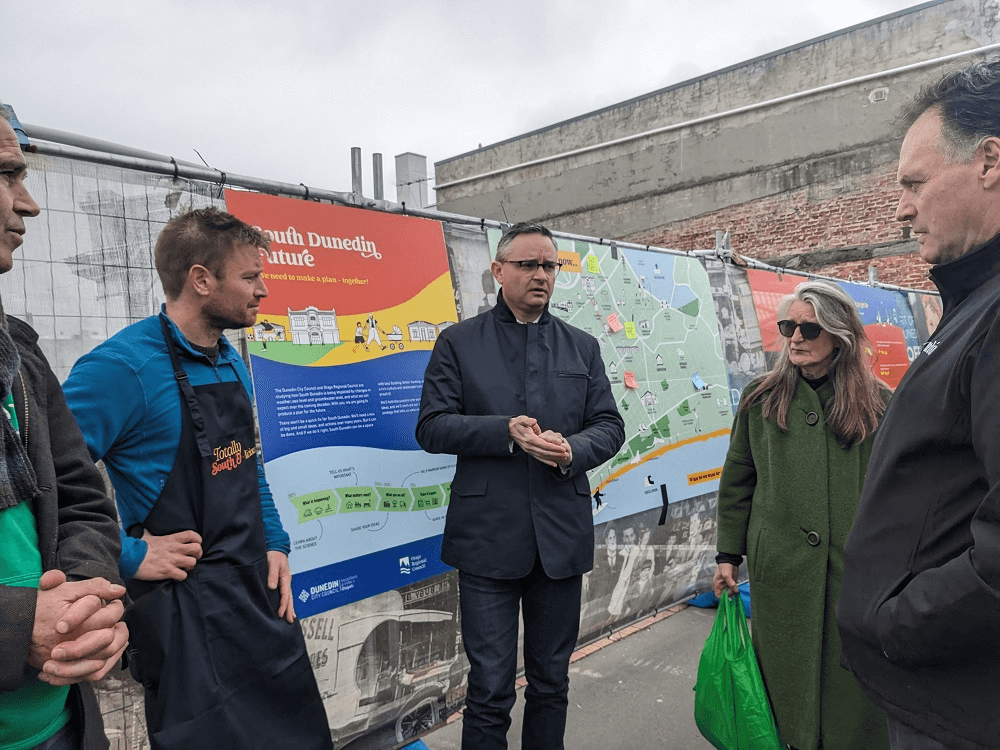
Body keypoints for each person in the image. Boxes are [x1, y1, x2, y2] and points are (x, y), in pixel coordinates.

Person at [62, 207, 332, 749]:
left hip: (257, 595)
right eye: (250, 277)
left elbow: (246, 462)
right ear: (201, 279)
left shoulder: (228, 360)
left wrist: (275, 544)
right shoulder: (121, 369)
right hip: (184, 612)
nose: (264, 291)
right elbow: (48, 486)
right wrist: (131, 555)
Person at [837, 57, 1000, 750]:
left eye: (914, 183)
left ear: (990, 160)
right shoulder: (974, 303)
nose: (900, 208)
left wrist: (898, 622)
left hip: (956, 706)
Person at [416, 222, 624, 750]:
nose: (540, 275)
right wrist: (502, 430)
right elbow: (432, 426)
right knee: (489, 687)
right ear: (498, 270)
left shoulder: (582, 347)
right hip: (487, 540)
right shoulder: (458, 343)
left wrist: (573, 450)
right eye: (528, 264)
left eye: (548, 266)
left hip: (560, 538)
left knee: (552, 681)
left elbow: (609, 426)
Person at [714, 279, 891, 750]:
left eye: (808, 329)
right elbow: (738, 481)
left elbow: (898, 493)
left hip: (853, 573)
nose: (794, 337)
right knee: (784, 692)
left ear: (840, 335)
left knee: (850, 696)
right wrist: (727, 555)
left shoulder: (879, 403)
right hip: (782, 574)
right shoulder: (760, 398)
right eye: (788, 326)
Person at [0, 104, 128, 749]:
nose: (29, 205)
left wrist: (84, 600)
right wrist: (19, 624)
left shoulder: (17, 351)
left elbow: (82, 496)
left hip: (57, 724)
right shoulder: (127, 367)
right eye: (5, 175)